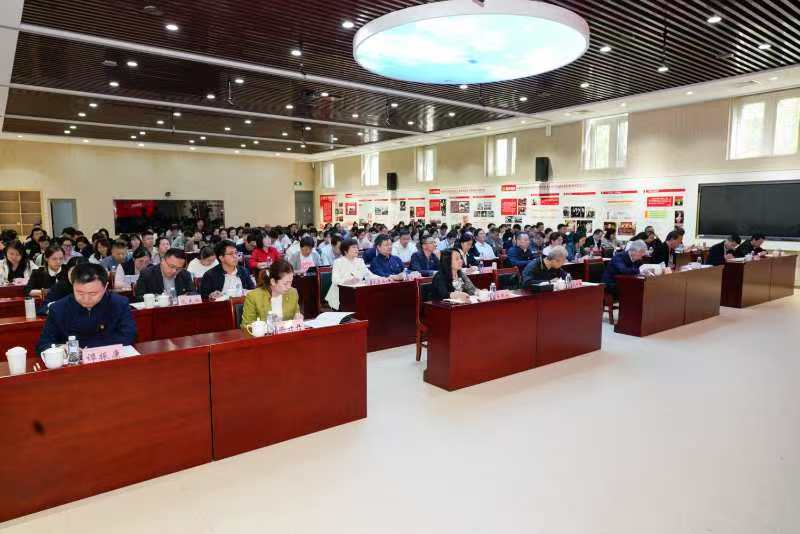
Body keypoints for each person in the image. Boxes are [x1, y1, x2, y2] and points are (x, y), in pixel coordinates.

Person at [36, 263, 136, 354]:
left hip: (109, 361)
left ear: (105, 287)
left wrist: (90, 350)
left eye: (93, 293)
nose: (86, 299)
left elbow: (128, 336)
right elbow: (43, 345)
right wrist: (60, 347)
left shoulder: (119, 304)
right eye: (80, 293)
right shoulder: (58, 309)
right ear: (72, 285)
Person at [241, 259, 302, 329]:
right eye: (285, 283)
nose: (289, 287)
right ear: (273, 282)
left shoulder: (292, 293)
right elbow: (246, 326)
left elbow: (296, 315)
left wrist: (298, 318)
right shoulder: (253, 296)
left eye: (290, 282)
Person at [326, 238, 379, 310]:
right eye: (353, 247)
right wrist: (347, 282)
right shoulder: (338, 262)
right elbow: (335, 280)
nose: (357, 249)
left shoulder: (360, 261)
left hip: (357, 294)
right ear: (345, 250)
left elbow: (369, 275)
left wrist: (383, 278)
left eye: (357, 247)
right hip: (341, 296)